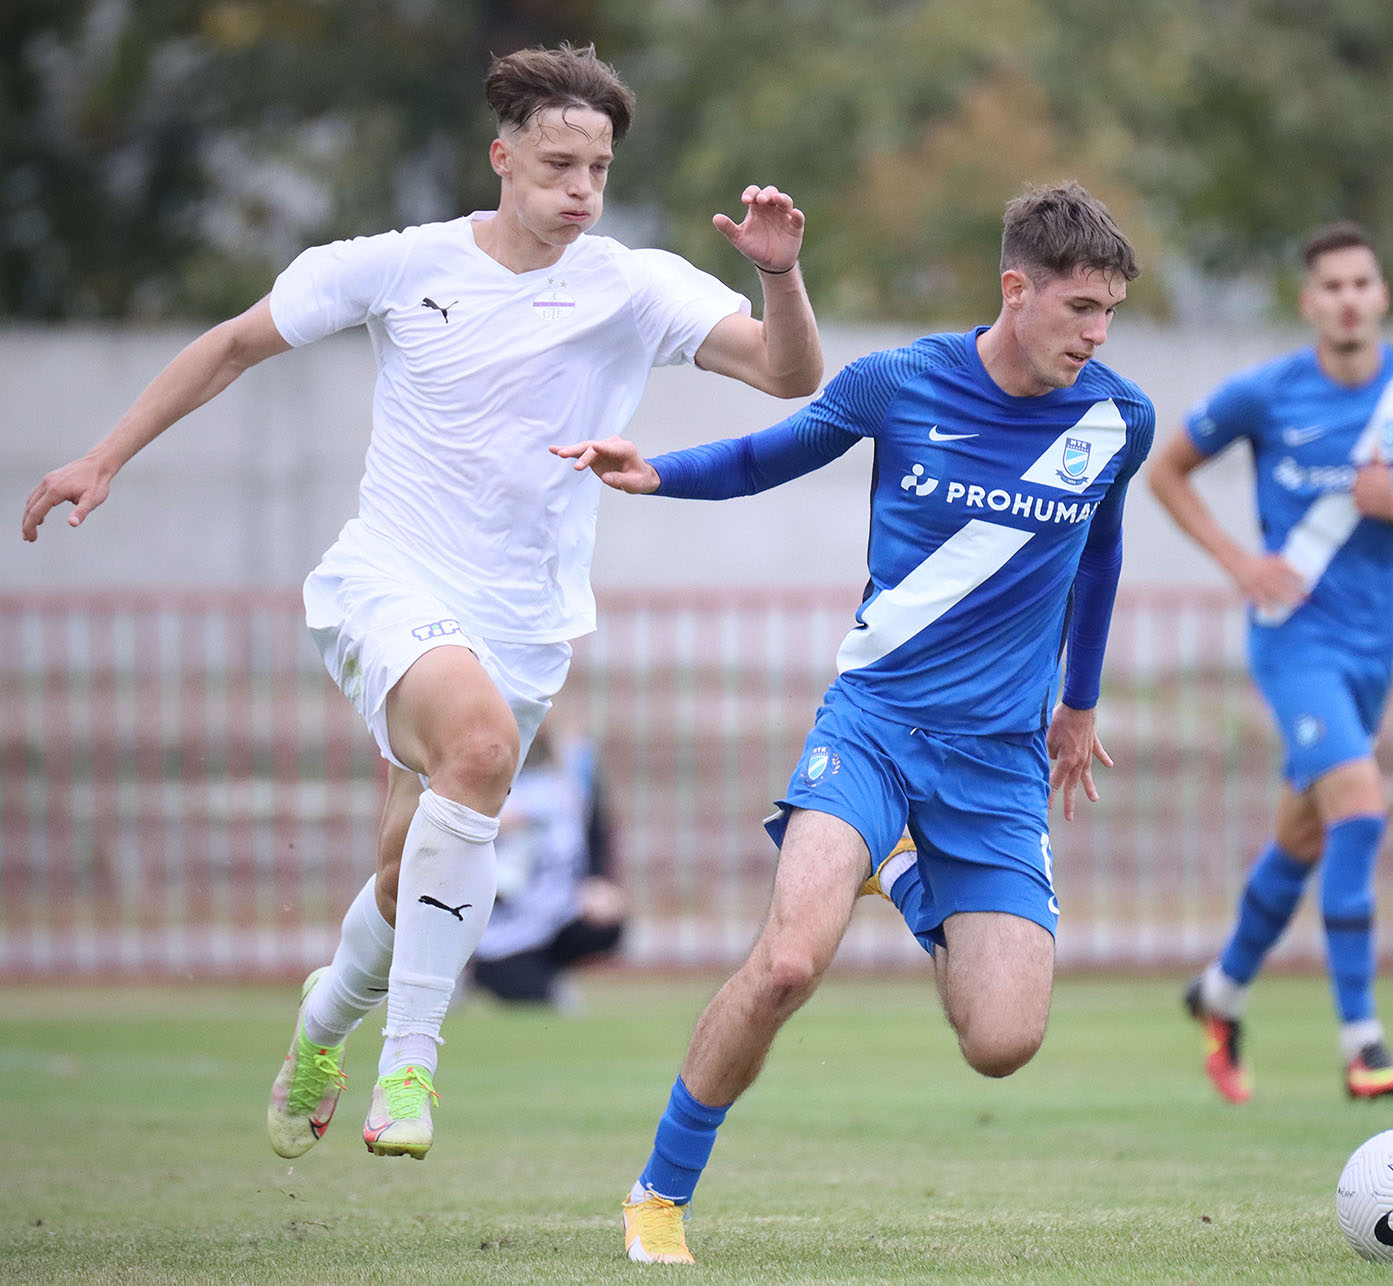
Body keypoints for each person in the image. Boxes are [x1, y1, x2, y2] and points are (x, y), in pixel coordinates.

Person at [20, 43, 822, 1161]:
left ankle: (322, 1021)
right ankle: (413, 1064)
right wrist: (103, 457)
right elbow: (236, 344)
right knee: (483, 748)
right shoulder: (401, 264)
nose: (581, 190)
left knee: (410, 875)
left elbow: (790, 379)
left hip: (527, 623)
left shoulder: (633, 285)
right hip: (388, 582)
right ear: (502, 158)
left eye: (597, 168)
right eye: (557, 164)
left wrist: (781, 276)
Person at [551, 181, 1151, 1264]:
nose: (1096, 333)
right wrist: (655, 473)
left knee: (1004, 1043)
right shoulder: (899, 382)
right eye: (1079, 308)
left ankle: (909, 871)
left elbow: (1101, 553)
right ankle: (659, 1191)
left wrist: (1081, 702)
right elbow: (766, 455)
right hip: (873, 726)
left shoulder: (1118, 417)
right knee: (787, 964)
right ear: (1016, 290)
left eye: (1110, 311)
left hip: (1000, 761)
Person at [1145, 221, 1393, 1104]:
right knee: (1361, 811)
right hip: (1294, 640)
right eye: (1330, 286)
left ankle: (1219, 993)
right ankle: (1362, 1041)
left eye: (1361, 283)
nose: (1347, 299)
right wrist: (1239, 562)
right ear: (1309, 303)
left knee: (1304, 832)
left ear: (1382, 296)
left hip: (1374, 649)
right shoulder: (1265, 394)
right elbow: (1168, 470)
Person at [469, 723, 627, 1006]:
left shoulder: (570, 771)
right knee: (527, 989)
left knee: (605, 923)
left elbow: (595, 827)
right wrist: (482, 823)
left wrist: (596, 879)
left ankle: (544, 970)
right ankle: (475, 972)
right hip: (497, 921)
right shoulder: (478, 768)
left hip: (553, 908)